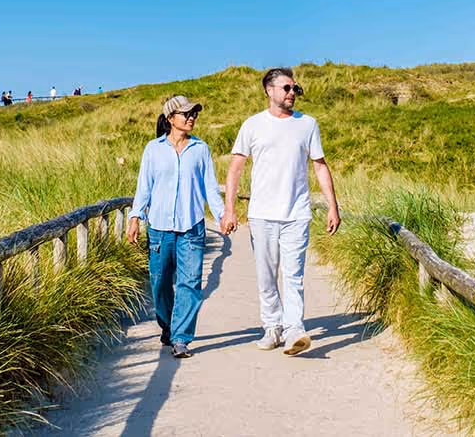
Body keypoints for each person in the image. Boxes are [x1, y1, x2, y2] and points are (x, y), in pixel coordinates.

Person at [222, 67, 341, 356]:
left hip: (296, 214)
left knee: (293, 275)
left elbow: (320, 166)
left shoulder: (307, 124)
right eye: (286, 88)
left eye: (294, 88)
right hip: (262, 214)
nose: (292, 93)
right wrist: (229, 210)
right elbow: (235, 168)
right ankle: (272, 326)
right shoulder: (253, 125)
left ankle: (294, 330)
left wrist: (333, 206)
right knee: (266, 275)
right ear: (269, 90)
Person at [127, 95, 228, 359]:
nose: (191, 117)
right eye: (186, 114)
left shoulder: (200, 149)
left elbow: (210, 187)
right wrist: (135, 217)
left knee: (190, 283)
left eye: (194, 113)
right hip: (159, 228)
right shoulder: (153, 149)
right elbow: (144, 187)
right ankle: (168, 326)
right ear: (171, 118)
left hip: (191, 227)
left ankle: (181, 338)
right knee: (159, 282)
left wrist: (222, 215)